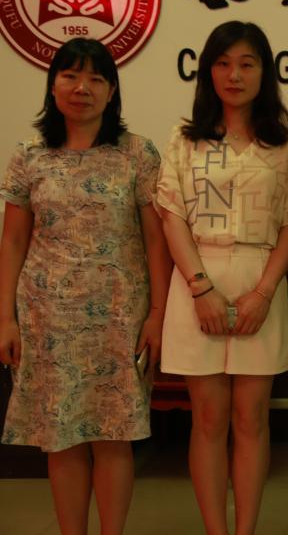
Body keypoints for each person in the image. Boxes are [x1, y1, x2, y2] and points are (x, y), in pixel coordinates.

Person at [0, 38, 171, 535]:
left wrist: (158, 314)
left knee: (114, 434)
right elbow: (12, 240)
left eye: (97, 78)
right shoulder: (30, 154)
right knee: (62, 436)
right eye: (71, 75)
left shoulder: (137, 153)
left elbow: (156, 240)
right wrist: (6, 317)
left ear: (112, 91)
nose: (83, 88)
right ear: (53, 85)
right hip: (47, 318)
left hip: (120, 317)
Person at [156, 21, 288, 535]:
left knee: (251, 418)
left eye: (246, 63)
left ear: (265, 72)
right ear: (207, 72)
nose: (234, 75)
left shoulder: (285, 143)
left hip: (262, 280)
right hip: (197, 281)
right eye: (223, 63)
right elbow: (172, 215)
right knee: (209, 419)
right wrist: (200, 288)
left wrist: (264, 292)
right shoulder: (184, 139)